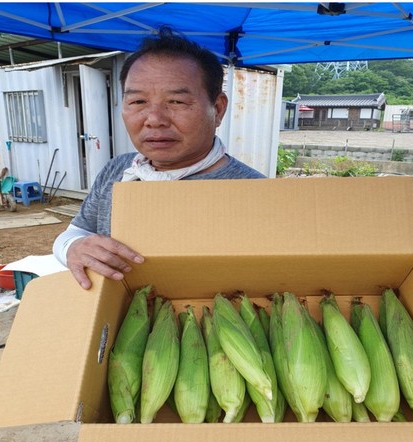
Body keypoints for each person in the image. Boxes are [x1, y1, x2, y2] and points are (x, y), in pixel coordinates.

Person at [53, 27, 266, 289]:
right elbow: (77, 231)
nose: (154, 120)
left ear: (218, 109)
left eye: (176, 102)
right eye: (138, 102)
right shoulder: (118, 169)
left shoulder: (256, 193)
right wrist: (73, 247)